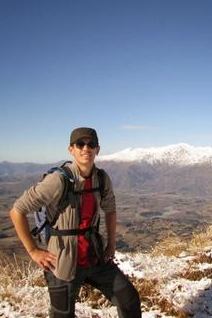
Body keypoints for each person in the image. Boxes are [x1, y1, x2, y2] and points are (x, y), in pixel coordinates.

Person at [9, 127, 141, 318]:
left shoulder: (102, 178)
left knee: (129, 299)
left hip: (95, 256)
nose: (85, 148)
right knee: (62, 315)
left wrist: (111, 244)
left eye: (91, 144)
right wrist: (33, 251)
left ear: (98, 149)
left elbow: (110, 210)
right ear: (71, 149)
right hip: (62, 262)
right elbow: (17, 210)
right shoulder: (58, 181)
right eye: (80, 144)